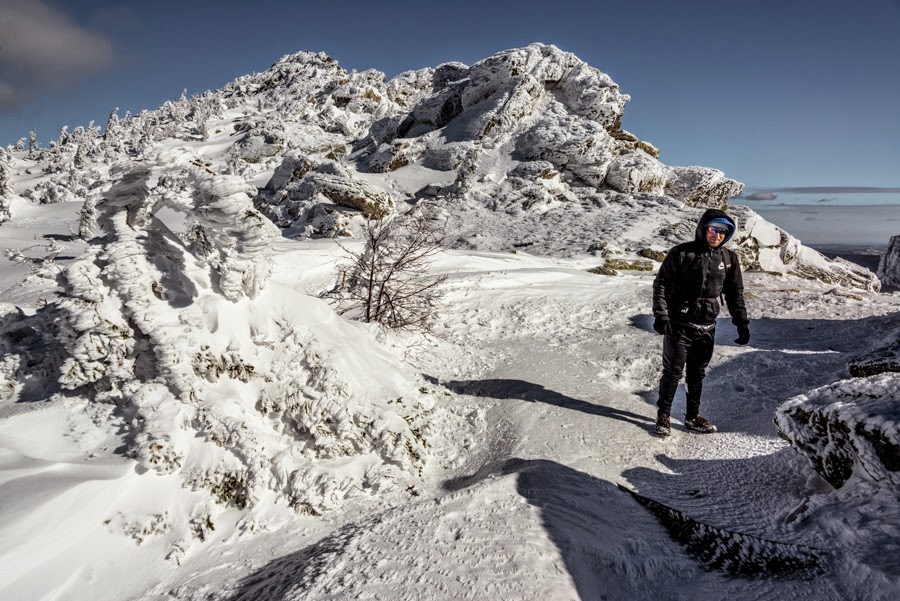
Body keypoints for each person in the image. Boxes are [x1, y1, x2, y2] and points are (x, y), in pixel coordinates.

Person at [651, 208, 750, 436]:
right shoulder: (681, 253)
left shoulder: (728, 259)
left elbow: (735, 293)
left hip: (707, 327)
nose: (717, 235)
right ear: (704, 229)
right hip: (679, 325)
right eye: (714, 229)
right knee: (673, 372)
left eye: (723, 232)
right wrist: (661, 315)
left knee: (697, 374)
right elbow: (662, 284)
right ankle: (663, 415)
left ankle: (692, 417)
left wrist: (741, 322)